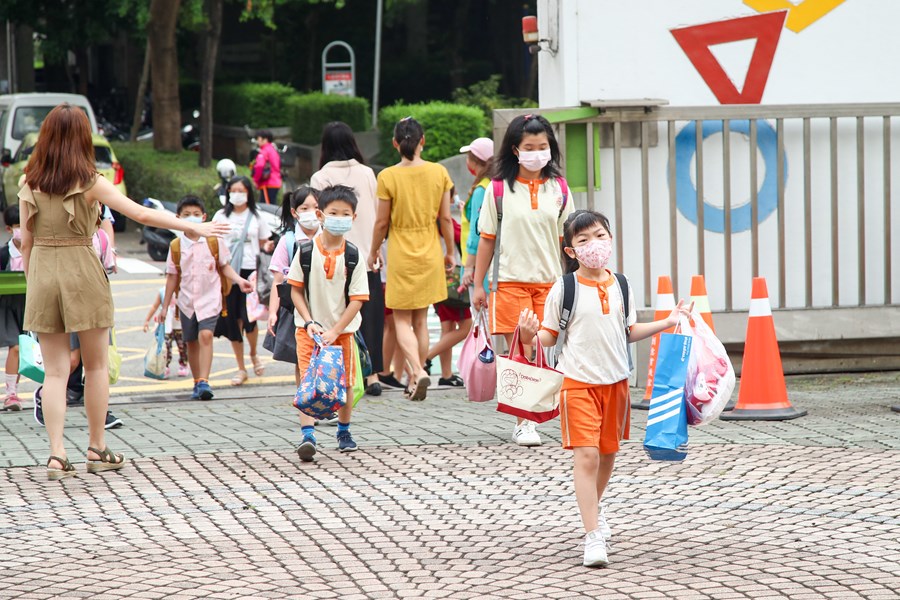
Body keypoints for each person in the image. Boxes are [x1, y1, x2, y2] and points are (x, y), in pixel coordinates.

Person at [18, 103, 230, 480]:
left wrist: (34, 282)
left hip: (42, 273)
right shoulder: (90, 181)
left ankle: (55, 454)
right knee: (96, 365)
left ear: (46, 137)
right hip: (82, 268)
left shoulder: (28, 182)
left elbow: (27, 242)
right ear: (83, 138)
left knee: (54, 372)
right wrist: (191, 227)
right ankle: (97, 448)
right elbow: (142, 215)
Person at [517, 209, 692, 567]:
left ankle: (592, 512)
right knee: (587, 455)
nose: (593, 245)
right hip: (576, 383)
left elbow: (628, 332)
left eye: (598, 236)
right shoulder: (564, 288)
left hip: (616, 383)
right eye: (582, 240)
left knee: (608, 454)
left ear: (610, 238)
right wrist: (528, 334)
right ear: (570, 251)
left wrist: (668, 322)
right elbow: (549, 336)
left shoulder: (621, 284)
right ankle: (592, 535)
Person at [472, 114, 574, 447]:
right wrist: (477, 284)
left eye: (542, 146)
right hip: (510, 282)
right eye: (529, 147)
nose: (537, 153)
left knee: (546, 351)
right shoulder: (499, 189)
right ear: (515, 149)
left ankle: (544, 412)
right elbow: (487, 238)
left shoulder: (559, 188)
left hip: (550, 283)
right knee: (521, 350)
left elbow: (568, 240)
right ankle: (524, 422)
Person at [369, 116, 455, 401]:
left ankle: (416, 372)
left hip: (401, 252)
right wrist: (450, 252)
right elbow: (444, 217)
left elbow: (382, 223)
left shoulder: (388, 176)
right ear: (423, 141)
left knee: (401, 319)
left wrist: (372, 252)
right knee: (420, 320)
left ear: (395, 143)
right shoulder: (439, 172)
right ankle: (413, 377)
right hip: (430, 249)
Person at [288, 185, 369, 462]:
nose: (339, 218)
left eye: (345, 213)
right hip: (308, 331)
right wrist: (310, 321)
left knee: (345, 382)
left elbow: (357, 299)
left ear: (354, 217)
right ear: (321, 215)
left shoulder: (354, 256)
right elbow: (295, 289)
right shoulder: (306, 250)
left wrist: (336, 330)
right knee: (308, 381)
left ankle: (343, 431)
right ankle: (307, 434)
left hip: (343, 332)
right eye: (333, 212)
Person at [311, 121, 384, 397]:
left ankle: (341, 374)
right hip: (366, 255)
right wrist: (377, 252)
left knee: (338, 316)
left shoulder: (320, 177)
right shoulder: (367, 173)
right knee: (370, 317)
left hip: (334, 258)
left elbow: (318, 219)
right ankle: (373, 373)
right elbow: (377, 216)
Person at [161, 196, 252, 401]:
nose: (191, 218)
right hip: (186, 302)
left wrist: (239, 281)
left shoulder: (213, 241)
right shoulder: (176, 246)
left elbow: (224, 266)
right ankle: (197, 382)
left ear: (204, 217)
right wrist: (164, 307)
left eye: (195, 214)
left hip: (210, 299)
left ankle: (204, 381)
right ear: (178, 218)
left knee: (205, 336)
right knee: (191, 341)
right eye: (186, 215)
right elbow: (172, 277)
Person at [213, 176, 273, 385]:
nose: (237, 194)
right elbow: (214, 243)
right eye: (233, 190)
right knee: (233, 320)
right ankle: (241, 368)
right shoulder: (220, 216)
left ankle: (254, 353)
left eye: (241, 190)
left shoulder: (257, 217)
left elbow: (264, 243)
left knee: (250, 318)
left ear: (248, 193)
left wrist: (269, 248)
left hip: (252, 273)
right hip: (228, 273)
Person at [266, 186, 320, 387]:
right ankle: (306, 402)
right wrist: (273, 312)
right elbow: (278, 281)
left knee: (326, 356)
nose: (311, 212)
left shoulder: (329, 239)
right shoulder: (288, 241)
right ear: (294, 212)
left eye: (316, 207)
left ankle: (325, 400)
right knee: (302, 358)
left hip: (325, 307)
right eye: (305, 208)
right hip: (297, 309)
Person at [459, 137, 494, 291]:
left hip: (478, 267)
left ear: (475, 161)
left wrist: (468, 268)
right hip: (491, 264)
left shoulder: (481, 190)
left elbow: (476, 231)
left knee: (481, 314)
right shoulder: (493, 185)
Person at [0, 205, 25, 411]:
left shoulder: (37, 250)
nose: (23, 231)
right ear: (9, 229)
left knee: (31, 348)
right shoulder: (3, 254)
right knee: (15, 346)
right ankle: (11, 394)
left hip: (32, 302)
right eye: (18, 226)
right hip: (8, 304)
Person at [142, 287, 188, 378]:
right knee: (165, 348)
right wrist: (147, 320)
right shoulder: (163, 291)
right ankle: (165, 366)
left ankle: (184, 364)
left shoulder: (184, 289)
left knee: (183, 347)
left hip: (180, 326)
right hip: (166, 327)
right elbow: (155, 306)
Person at [252, 130, 282, 205]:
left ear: (265, 139)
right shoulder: (273, 150)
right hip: (275, 181)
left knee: (266, 208)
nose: (258, 142)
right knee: (271, 205)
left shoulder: (264, 151)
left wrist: (256, 180)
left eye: (259, 139)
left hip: (268, 183)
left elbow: (259, 166)